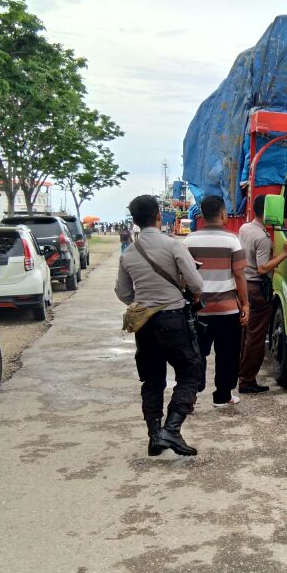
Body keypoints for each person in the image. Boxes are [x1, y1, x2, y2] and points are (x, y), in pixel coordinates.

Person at [115, 195, 203, 456]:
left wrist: (144, 300)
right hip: (174, 319)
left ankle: (155, 436)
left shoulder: (129, 253)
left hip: (144, 323)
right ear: (158, 216)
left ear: (134, 221)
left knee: (152, 380)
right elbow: (197, 285)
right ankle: (172, 430)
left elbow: (122, 292)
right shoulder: (173, 245)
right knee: (190, 372)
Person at [185, 195, 249, 407]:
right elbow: (239, 275)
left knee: (196, 354)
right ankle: (223, 396)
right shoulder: (231, 240)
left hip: (198, 310)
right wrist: (245, 305)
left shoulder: (189, 241)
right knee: (227, 354)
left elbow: (183, 277)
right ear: (223, 214)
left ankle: (192, 396)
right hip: (227, 310)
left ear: (202, 215)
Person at [238, 195, 287, 393]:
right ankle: (246, 380)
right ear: (269, 210)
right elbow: (262, 268)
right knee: (257, 336)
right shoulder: (262, 237)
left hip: (244, 285)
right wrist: (284, 253)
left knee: (246, 333)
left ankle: (241, 372)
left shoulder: (246, 228)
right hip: (257, 287)